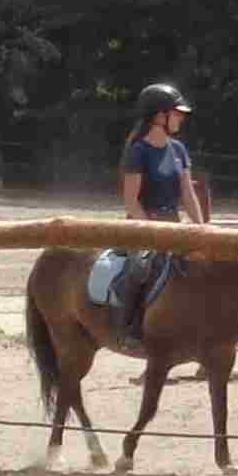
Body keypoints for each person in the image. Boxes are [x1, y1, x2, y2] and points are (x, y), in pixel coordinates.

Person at [99, 83, 204, 334]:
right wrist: (152, 230)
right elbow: (131, 201)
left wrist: (202, 229)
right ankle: (129, 326)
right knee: (140, 269)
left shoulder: (178, 150)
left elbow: (188, 194)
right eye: (176, 113)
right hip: (141, 226)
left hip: (173, 225)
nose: (181, 118)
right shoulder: (138, 152)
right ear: (159, 116)